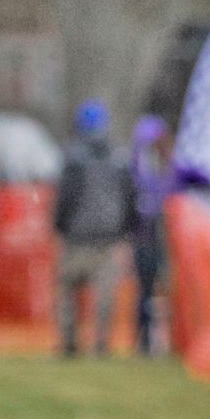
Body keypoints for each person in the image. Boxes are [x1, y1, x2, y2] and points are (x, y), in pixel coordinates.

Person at [52, 99, 135, 357]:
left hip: (77, 236)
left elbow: (66, 196)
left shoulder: (74, 158)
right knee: (104, 296)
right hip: (109, 237)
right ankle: (101, 345)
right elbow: (129, 196)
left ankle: (69, 343)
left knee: (67, 290)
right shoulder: (119, 158)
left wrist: (59, 225)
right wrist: (124, 229)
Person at [130, 115, 176, 355]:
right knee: (145, 291)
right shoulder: (137, 170)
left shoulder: (172, 168)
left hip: (166, 239)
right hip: (146, 238)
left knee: (168, 290)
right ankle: (143, 341)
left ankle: (170, 341)